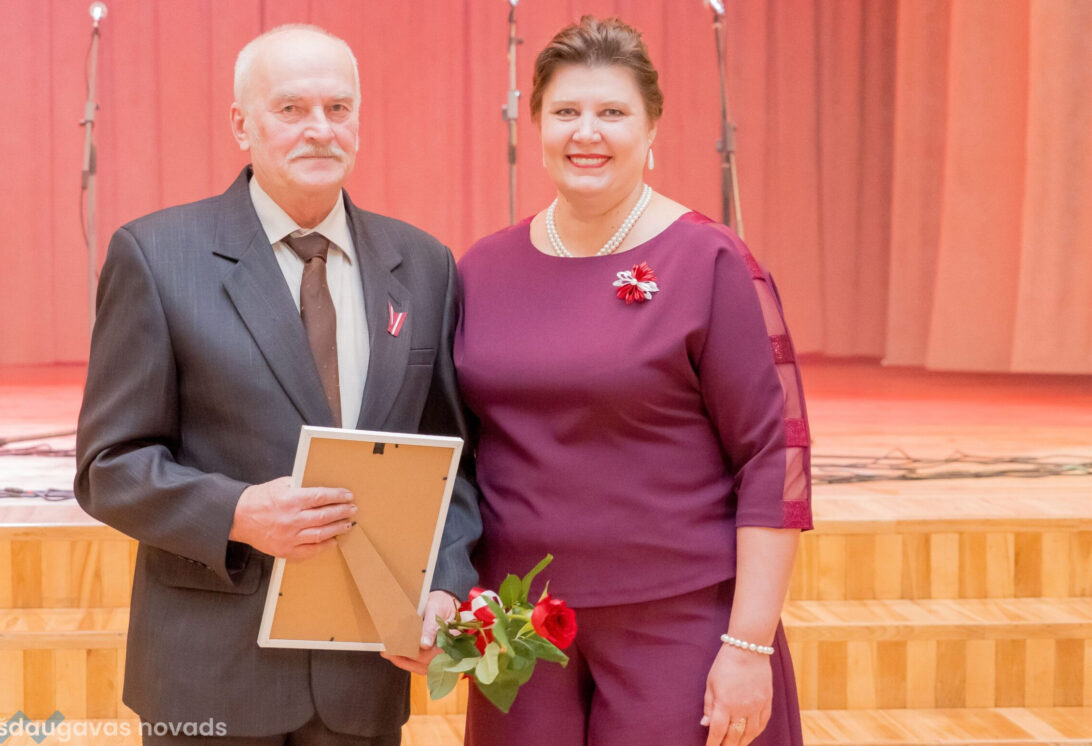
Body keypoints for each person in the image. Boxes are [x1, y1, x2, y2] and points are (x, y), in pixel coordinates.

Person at [74, 25, 479, 745]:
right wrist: (236, 512)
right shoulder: (156, 256)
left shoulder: (424, 265)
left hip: (365, 674)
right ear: (242, 124)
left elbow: (453, 461)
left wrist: (446, 583)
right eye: (291, 109)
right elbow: (108, 467)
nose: (320, 129)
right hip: (211, 670)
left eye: (338, 108)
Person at [454, 16, 811, 746]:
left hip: (678, 619)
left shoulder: (711, 262)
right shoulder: (482, 268)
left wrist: (749, 644)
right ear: (536, 124)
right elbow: (455, 449)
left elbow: (773, 460)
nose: (587, 132)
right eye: (566, 111)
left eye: (613, 112)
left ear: (652, 130)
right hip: (520, 625)